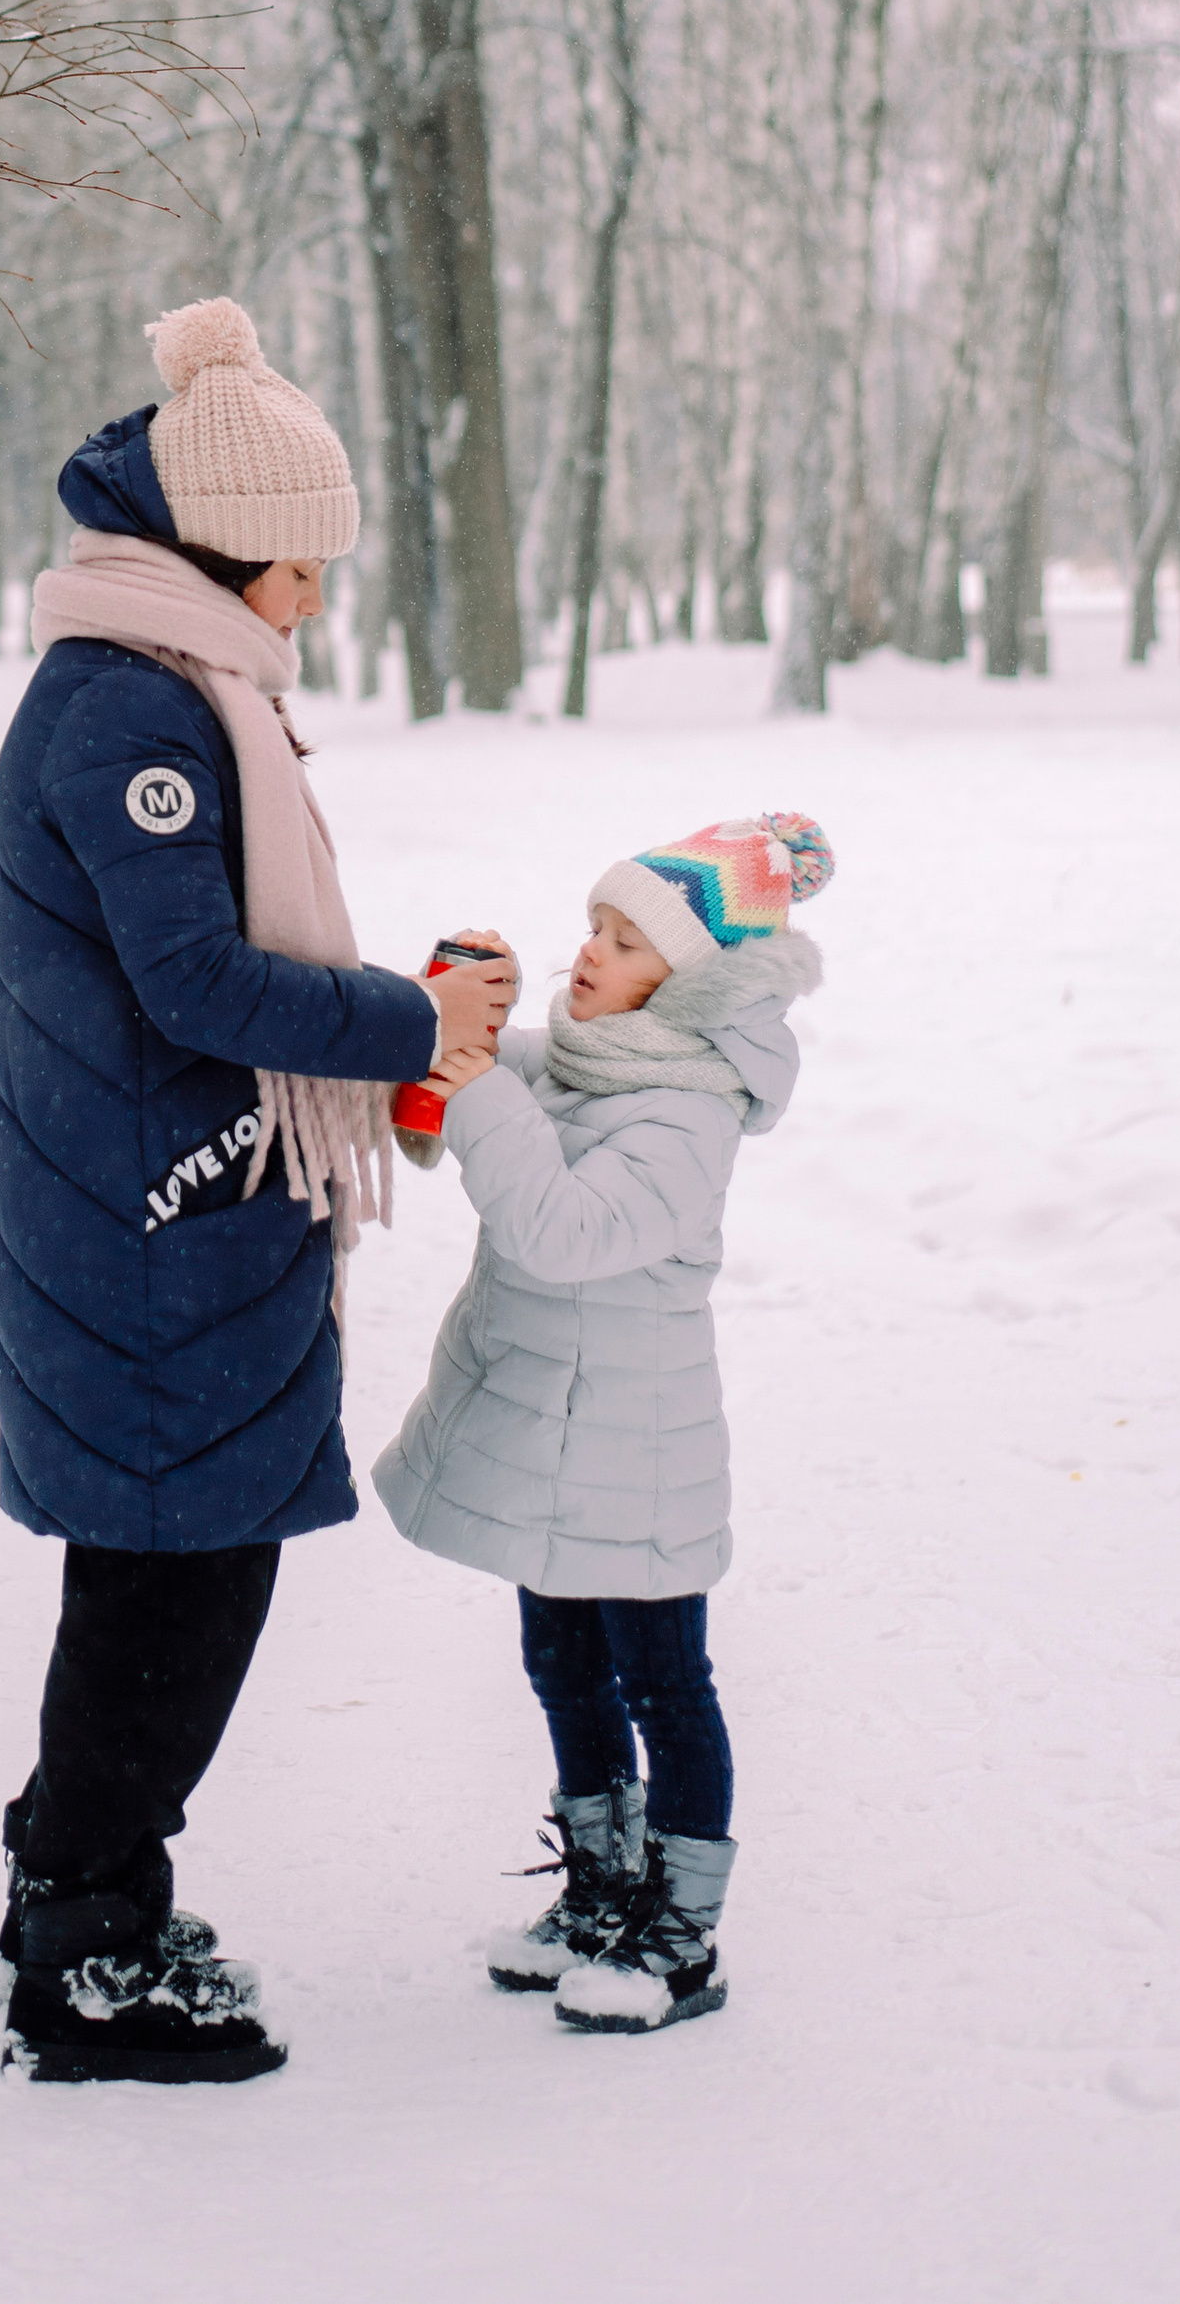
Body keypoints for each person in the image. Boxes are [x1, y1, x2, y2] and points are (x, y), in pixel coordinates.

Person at [0, 297, 512, 2085]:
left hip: (166, 1205)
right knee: (173, 1593)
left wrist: (389, 1021)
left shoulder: (165, 680)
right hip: (148, 1225)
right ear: (221, 550)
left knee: (168, 1581)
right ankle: (86, 1951)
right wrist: (409, 1020)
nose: (313, 599)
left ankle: (81, 1893)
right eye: (300, 566)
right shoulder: (133, 711)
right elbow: (197, 982)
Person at [373, 810, 834, 2034]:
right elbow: (468, 1084)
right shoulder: (586, 1057)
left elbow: (567, 1233)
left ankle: (680, 1932)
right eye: (592, 926)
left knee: (663, 1685)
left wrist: (481, 1092)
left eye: (626, 942)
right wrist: (456, 1015)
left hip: (636, 1451)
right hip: (555, 1442)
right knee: (563, 1667)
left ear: (685, 982)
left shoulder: (687, 1109)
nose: (590, 953)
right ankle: (600, 1887)